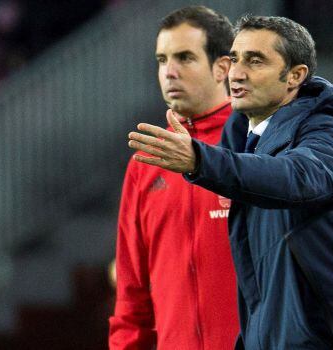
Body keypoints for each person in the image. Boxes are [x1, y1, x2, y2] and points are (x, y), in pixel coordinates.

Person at [128, 15, 333, 349]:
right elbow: (261, 290)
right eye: (235, 59)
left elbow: (300, 177)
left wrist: (202, 161)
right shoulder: (250, 143)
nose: (237, 73)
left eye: (255, 61)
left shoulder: (328, 131)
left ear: (294, 76)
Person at [108, 6, 239, 350]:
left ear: (222, 67)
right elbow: (131, 294)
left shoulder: (254, 147)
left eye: (184, 57)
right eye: (162, 60)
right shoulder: (146, 163)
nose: (170, 72)